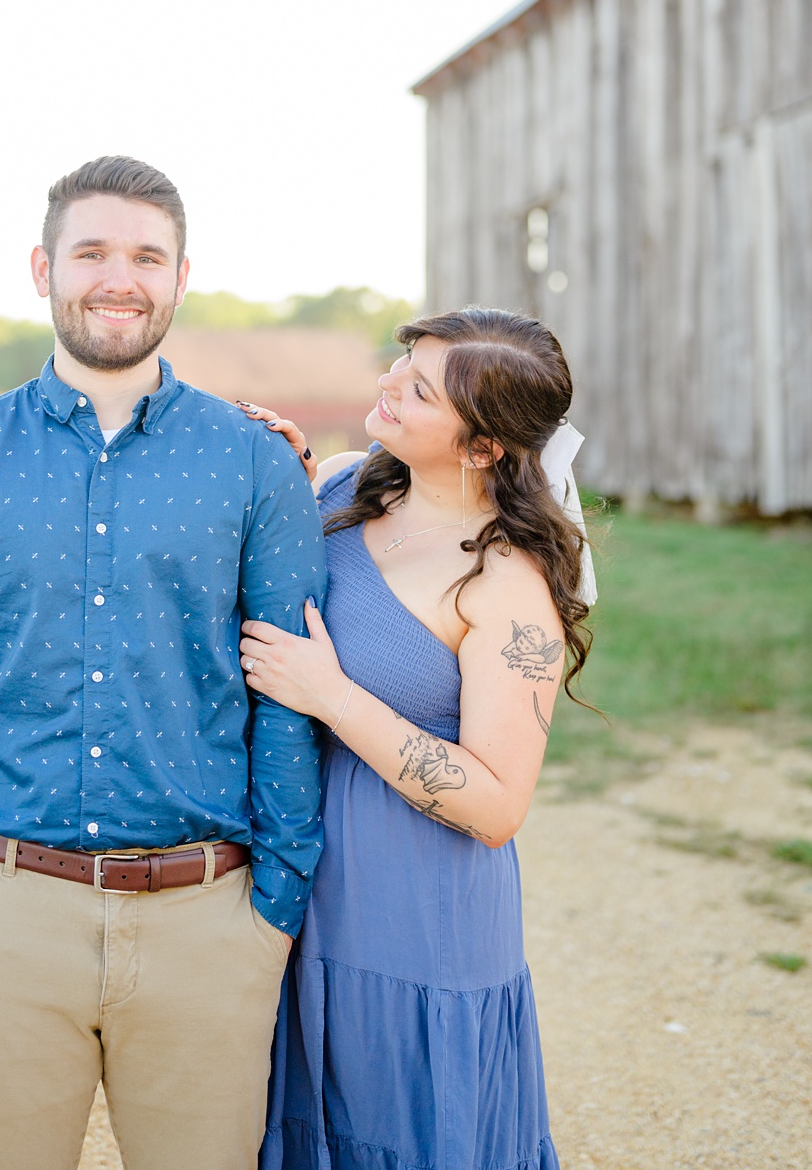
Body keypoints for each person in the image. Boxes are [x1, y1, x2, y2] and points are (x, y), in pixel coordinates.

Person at [0, 155, 327, 1170]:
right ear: (42, 268)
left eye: (148, 255)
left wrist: (278, 900)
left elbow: (288, 684)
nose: (122, 277)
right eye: (93, 251)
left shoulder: (252, 464)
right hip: (0, 920)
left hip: (211, 925)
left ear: (182, 276)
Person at [235, 307, 591, 1170]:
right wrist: (289, 481)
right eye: (403, 363)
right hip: (298, 879)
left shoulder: (504, 584)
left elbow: (499, 803)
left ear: (482, 448)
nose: (390, 384)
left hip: (416, 918)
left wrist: (332, 697)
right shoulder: (344, 488)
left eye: (421, 388)